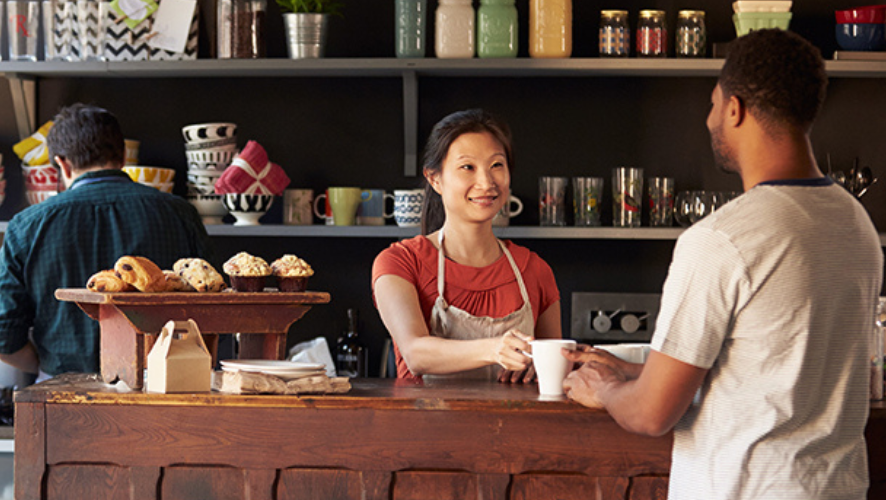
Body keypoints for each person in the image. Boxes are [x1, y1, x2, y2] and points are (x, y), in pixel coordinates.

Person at [562, 29, 883, 500]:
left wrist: (607, 389)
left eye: (714, 104)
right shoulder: (855, 222)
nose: (710, 118)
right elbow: (770, 366)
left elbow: (652, 415)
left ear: (736, 109)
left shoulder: (721, 239)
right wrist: (637, 370)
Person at [0, 103, 213, 379]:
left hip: (63, 394)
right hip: (161, 388)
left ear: (62, 164)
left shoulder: (26, 226)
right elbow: (211, 312)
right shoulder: (180, 214)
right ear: (123, 157)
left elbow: (3, 340)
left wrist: (52, 369)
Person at [372, 109, 562, 384]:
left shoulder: (535, 270)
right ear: (434, 179)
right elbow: (415, 352)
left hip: (516, 426)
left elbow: (553, 371)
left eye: (496, 165)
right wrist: (494, 348)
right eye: (467, 167)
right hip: (424, 426)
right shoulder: (399, 263)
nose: (486, 183)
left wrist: (542, 366)